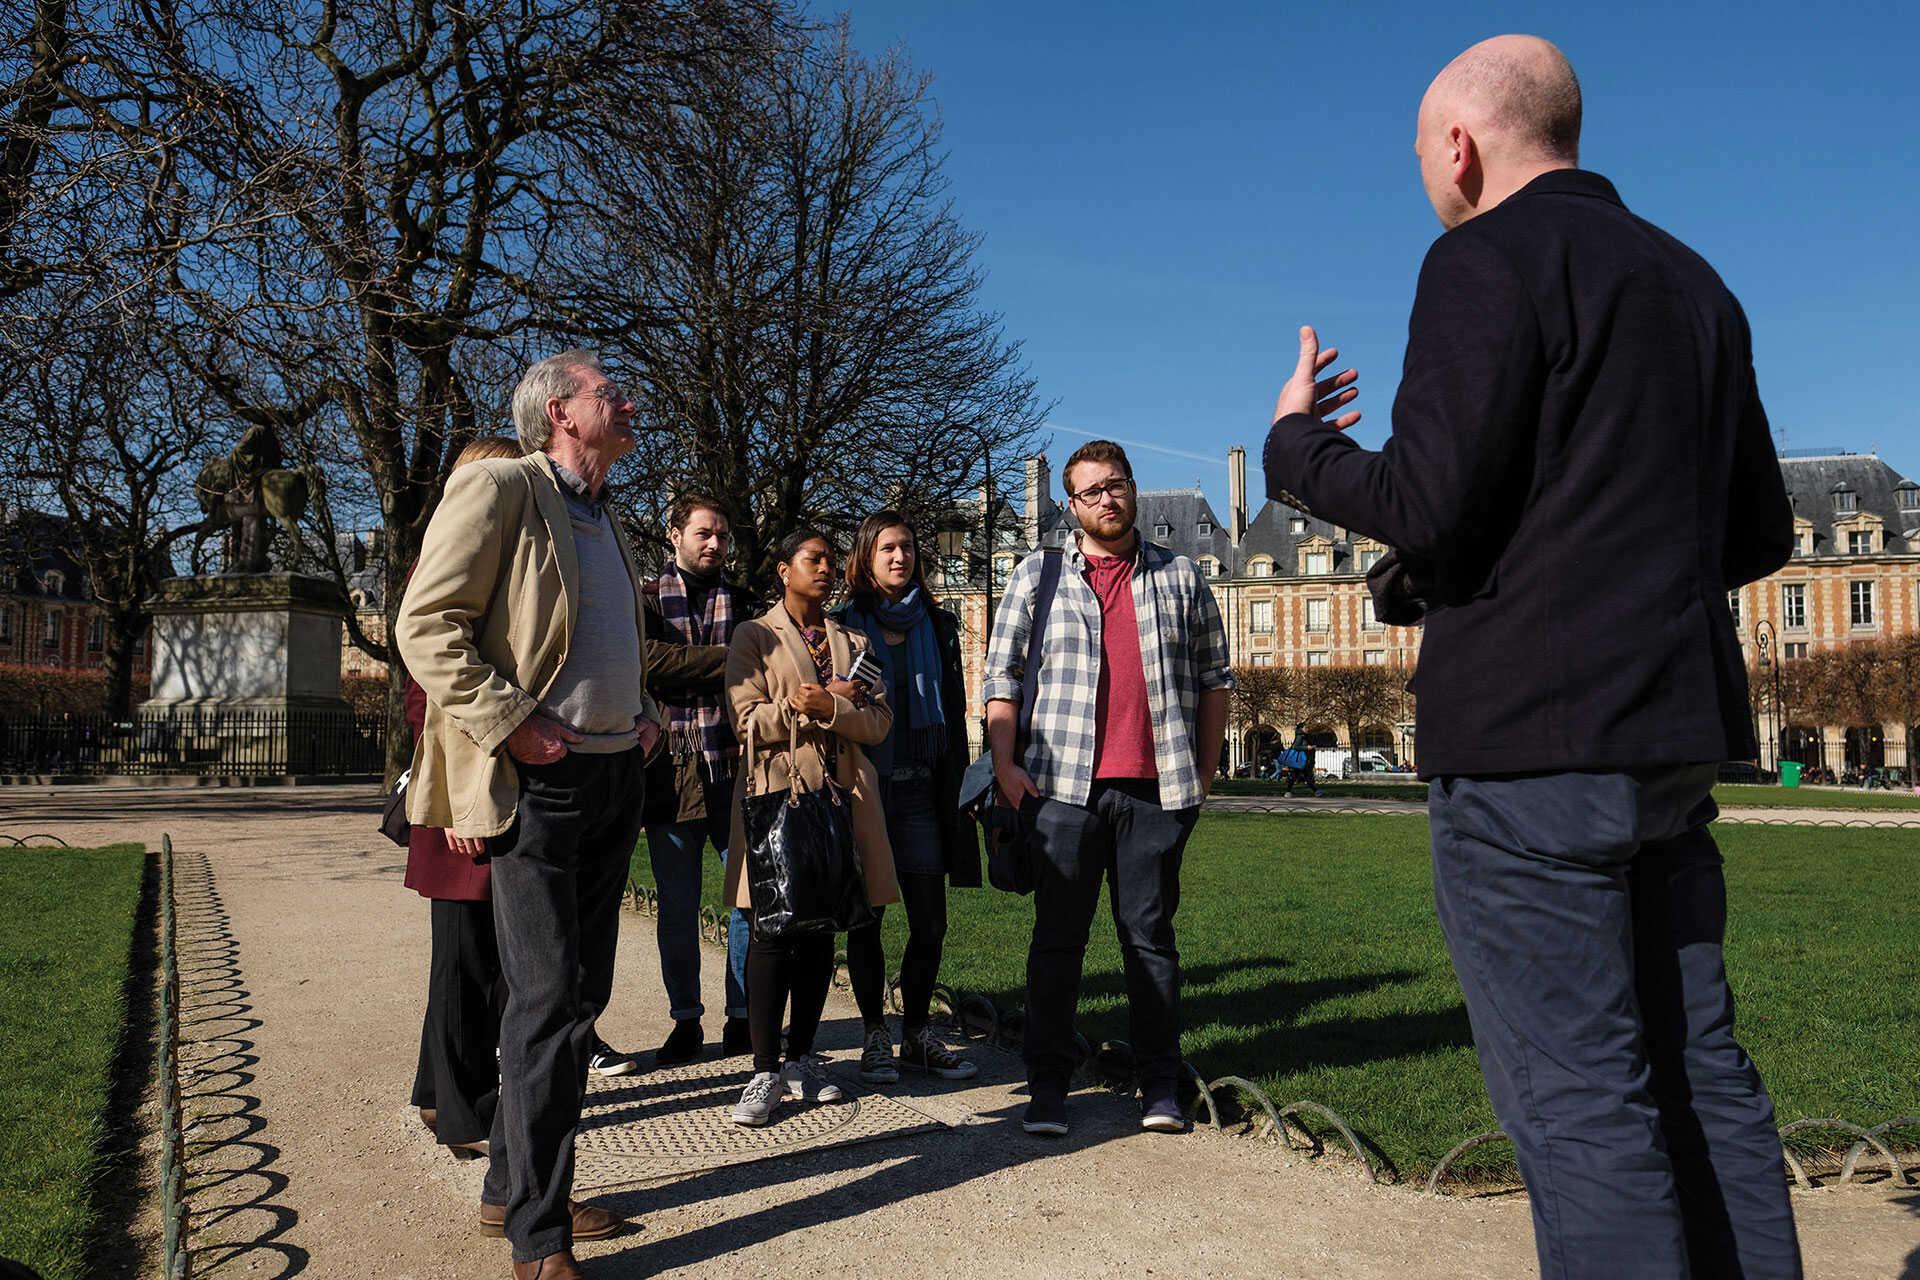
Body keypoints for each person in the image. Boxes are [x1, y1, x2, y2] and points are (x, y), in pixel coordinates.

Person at [1263, 36, 1802, 1279]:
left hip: (1527, 754)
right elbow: (1763, 529)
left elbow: (1428, 498)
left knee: (1579, 1104)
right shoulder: (1696, 282)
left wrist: (1295, 445)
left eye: (1419, 156)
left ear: (1458, 146)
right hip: (1669, 740)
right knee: (1701, 1078)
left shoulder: (1482, 257)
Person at [397, 350, 665, 1280]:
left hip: (610, 776)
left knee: (575, 999)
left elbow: (605, 639)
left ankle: (512, 1188)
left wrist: (645, 714)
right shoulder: (507, 487)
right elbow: (424, 625)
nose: (628, 401)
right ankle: (539, 1240)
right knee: (548, 1001)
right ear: (559, 411)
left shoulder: (604, 515)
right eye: (609, 392)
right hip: (538, 788)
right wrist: (513, 724)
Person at [981, 440, 1233, 1137]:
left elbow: (1216, 680)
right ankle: (1049, 1088)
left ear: (1133, 490)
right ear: (1071, 505)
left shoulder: (1181, 577)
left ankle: (1159, 1084)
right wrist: (1005, 765)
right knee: (1058, 942)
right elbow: (999, 678)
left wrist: (1205, 772)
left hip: (1155, 790)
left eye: (1116, 485)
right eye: (1091, 491)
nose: (1107, 499)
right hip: (1061, 788)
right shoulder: (1038, 575)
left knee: (1150, 941)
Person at [721, 527, 900, 1126]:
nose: (824, 568)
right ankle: (763, 1070)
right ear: (783, 569)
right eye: (811, 559)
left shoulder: (854, 638)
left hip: (845, 799)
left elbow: (878, 722)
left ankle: (802, 1059)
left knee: (824, 930)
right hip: (780, 796)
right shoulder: (754, 636)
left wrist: (836, 708)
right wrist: (811, 704)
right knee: (773, 930)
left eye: (829, 560)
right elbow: (745, 721)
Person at [832, 510, 983, 1084]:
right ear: (866, 558)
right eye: (888, 549)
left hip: (923, 787)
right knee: (866, 920)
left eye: (908, 549)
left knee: (931, 922)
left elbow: (954, 702)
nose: (901, 558)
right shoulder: (843, 628)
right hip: (865, 788)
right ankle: (875, 1035)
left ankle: (916, 1033)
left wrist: (964, 786)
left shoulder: (940, 627)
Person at [405, 435, 520, 1161]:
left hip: (480, 786)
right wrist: (455, 804)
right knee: (469, 961)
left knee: (470, 958)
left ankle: (434, 1090)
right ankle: (465, 1113)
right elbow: (427, 696)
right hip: (462, 789)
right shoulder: (449, 561)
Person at [637, 493, 753, 1065]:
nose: (715, 544)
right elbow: (649, 663)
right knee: (677, 908)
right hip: (672, 770)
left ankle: (742, 1016)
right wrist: (729, 659)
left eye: (723, 536)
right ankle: (685, 1020)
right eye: (704, 533)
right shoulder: (645, 599)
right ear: (675, 534)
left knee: (749, 903)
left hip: (737, 767)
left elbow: (760, 673)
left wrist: (696, 662)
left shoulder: (747, 601)